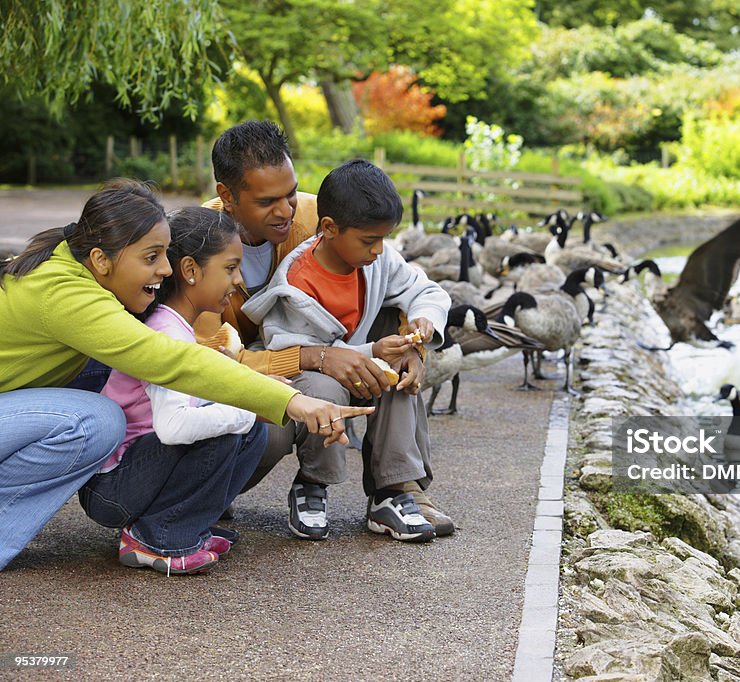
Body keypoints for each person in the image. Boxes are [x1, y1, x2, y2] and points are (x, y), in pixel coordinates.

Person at [0, 180, 370, 571]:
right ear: (101, 258)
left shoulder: (79, 268)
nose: (165, 268)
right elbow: (173, 361)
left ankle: (173, 527)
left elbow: (182, 362)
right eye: (151, 257)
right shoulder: (67, 296)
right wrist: (289, 401)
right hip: (94, 472)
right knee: (96, 421)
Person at [198, 121, 455, 541]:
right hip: (248, 372)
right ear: (227, 196)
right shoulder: (197, 242)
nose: (286, 211)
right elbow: (209, 359)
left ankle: (399, 488)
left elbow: (403, 278)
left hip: (339, 348)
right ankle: (209, 488)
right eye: (267, 201)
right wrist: (316, 357)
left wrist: (413, 343)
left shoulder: (320, 215)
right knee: (270, 431)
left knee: (396, 351)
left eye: (290, 193)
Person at [78, 207, 266, 575]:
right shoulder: (167, 332)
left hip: (139, 473)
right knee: (229, 430)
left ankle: (187, 525)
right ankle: (157, 536)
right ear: (191, 271)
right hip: (112, 489)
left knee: (250, 431)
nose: (239, 280)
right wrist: (244, 410)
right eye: (230, 268)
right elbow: (173, 428)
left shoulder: (180, 327)